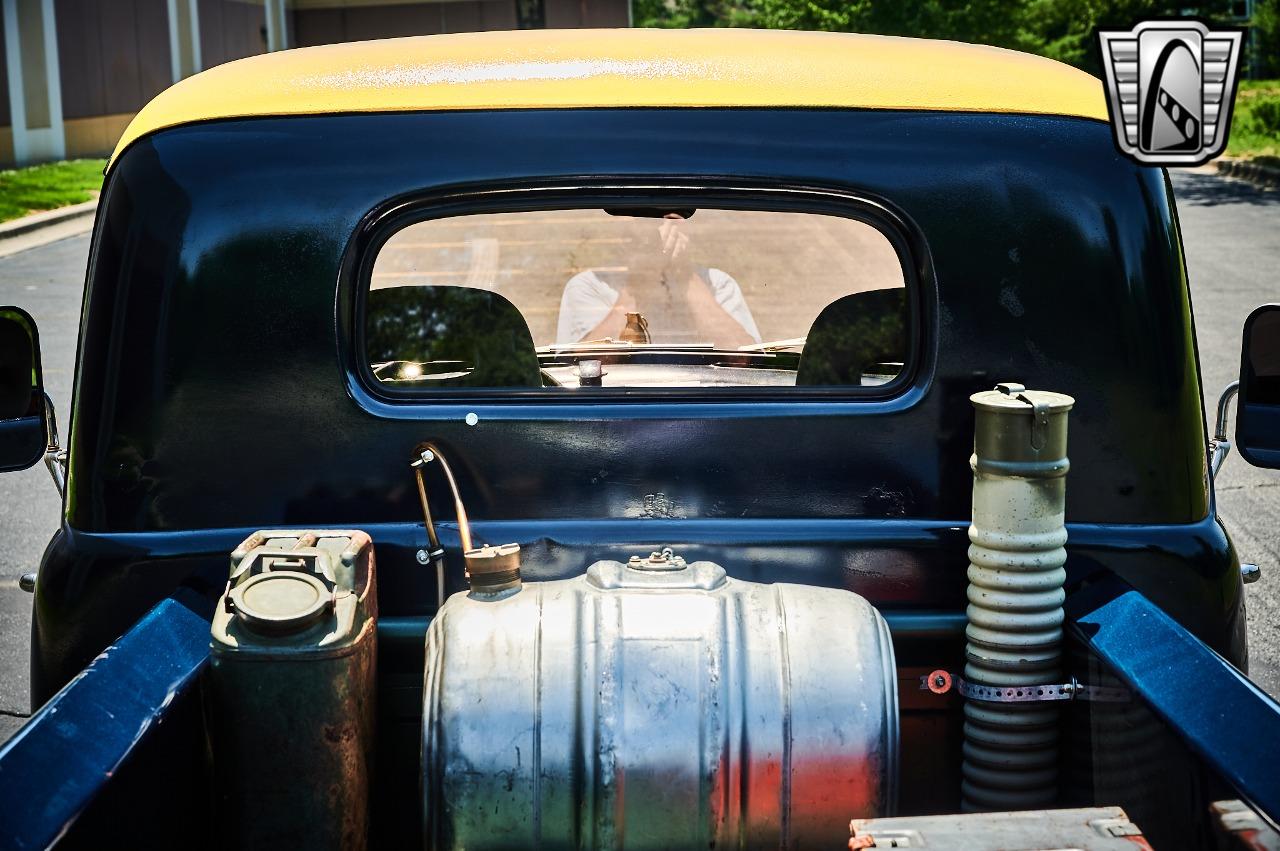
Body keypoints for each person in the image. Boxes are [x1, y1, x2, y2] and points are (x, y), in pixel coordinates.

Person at [555, 213, 761, 347]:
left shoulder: (718, 283)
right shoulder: (589, 286)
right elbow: (582, 366)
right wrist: (642, 279)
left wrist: (685, 276)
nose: (655, 229)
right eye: (643, 218)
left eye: (666, 219)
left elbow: (745, 359)